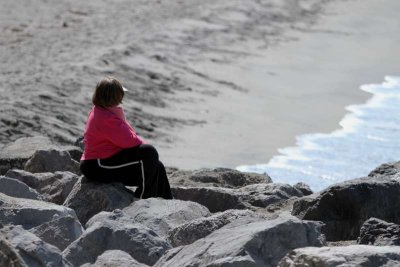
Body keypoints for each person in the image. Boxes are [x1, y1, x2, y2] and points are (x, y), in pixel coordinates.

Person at [79, 77, 173, 199]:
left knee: (157, 165)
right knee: (149, 152)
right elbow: (130, 141)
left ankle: (167, 202)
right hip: (97, 165)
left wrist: (119, 115)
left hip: (104, 161)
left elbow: (127, 139)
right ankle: (145, 200)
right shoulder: (105, 118)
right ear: (114, 97)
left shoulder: (103, 111)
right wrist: (120, 116)